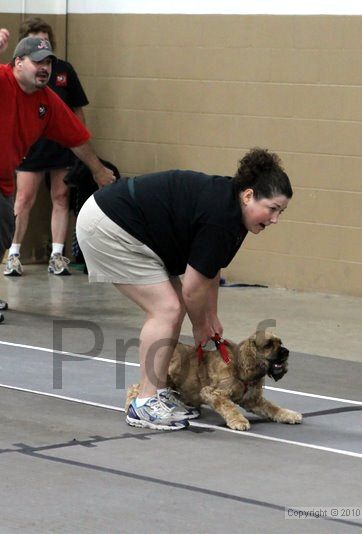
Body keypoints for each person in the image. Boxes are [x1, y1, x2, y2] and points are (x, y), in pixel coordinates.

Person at [76, 148, 292, 430]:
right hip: (109, 225)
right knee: (167, 309)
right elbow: (192, 288)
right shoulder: (222, 216)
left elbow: (209, 270)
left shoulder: (234, 214)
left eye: (281, 212)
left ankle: (158, 392)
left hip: (130, 229)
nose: (275, 218)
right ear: (248, 196)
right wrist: (201, 326)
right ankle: (144, 404)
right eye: (272, 208)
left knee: (173, 306)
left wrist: (212, 317)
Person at [0, 28, 115, 325]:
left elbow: (77, 138)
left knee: (4, 234)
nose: (44, 68)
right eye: (37, 62)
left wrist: (98, 170)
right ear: (18, 63)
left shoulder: (47, 101)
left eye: (48, 63)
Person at [4, 17, 91, 278]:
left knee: (61, 197)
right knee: (23, 199)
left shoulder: (63, 70)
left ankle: (56, 255)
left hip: (60, 148)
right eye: (36, 41)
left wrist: (80, 143)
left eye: (46, 40)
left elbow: (77, 111)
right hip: (31, 148)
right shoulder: (15, 74)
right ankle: (14, 254)